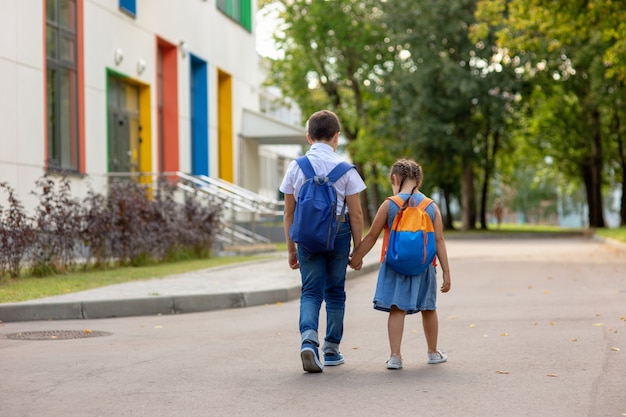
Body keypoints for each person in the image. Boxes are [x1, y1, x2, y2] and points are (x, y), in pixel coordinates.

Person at [280, 110, 366, 373]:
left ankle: (308, 339)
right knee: (335, 292)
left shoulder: (296, 167)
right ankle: (331, 350)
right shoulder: (346, 170)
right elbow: (357, 214)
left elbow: (289, 213)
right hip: (338, 235)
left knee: (310, 291)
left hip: (306, 236)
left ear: (309, 137)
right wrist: (358, 250)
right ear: (336, 138)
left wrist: (291, 249)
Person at [349, 159, 451, 370]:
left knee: (397, 308)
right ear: (419, 181)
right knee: (428, 307)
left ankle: (395, 356)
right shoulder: (431, 206)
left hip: (394, 265)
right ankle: (432, 352)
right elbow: (439, 241)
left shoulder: (390, 204)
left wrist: (356, 257)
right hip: (425, 267)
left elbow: (372, 236)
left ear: (395, 179)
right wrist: (446, 272)